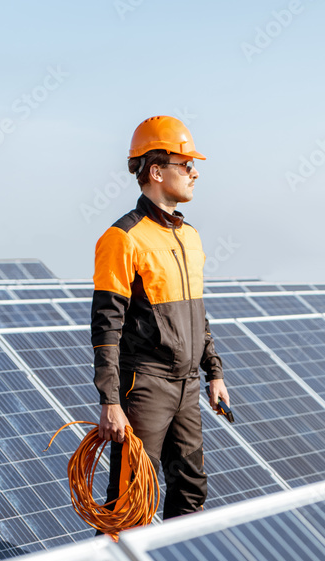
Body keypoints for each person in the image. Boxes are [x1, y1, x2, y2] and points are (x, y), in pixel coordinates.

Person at [90, 115, 229, 520]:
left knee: (190, 491)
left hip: (187, 386)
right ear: (156, 171)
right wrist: (110, 401)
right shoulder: (122, 238)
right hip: (146, 386)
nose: (194, 173)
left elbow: (196, 316)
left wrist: (213, 372)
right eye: (186, 164)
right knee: (133, 497)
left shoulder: (190, 236)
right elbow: (106, 328)